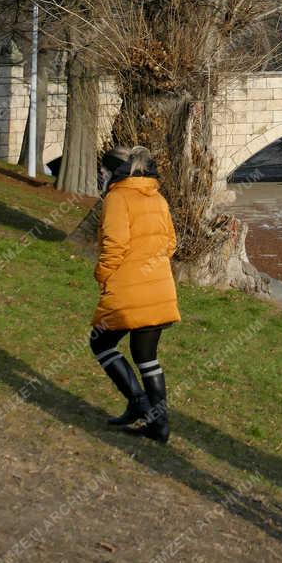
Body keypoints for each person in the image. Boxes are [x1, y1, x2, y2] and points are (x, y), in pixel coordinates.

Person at [89, 146, 180, 444]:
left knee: (101, 342)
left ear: (113, 171)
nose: (100, 175)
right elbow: (170, 244)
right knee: (146, 356)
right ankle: (159, 424)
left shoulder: (117, 198)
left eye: (103, 169)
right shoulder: (158, 197)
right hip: (159, 286)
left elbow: (115, 245)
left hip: (129, 289)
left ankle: (138, 402)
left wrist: (102, 275)